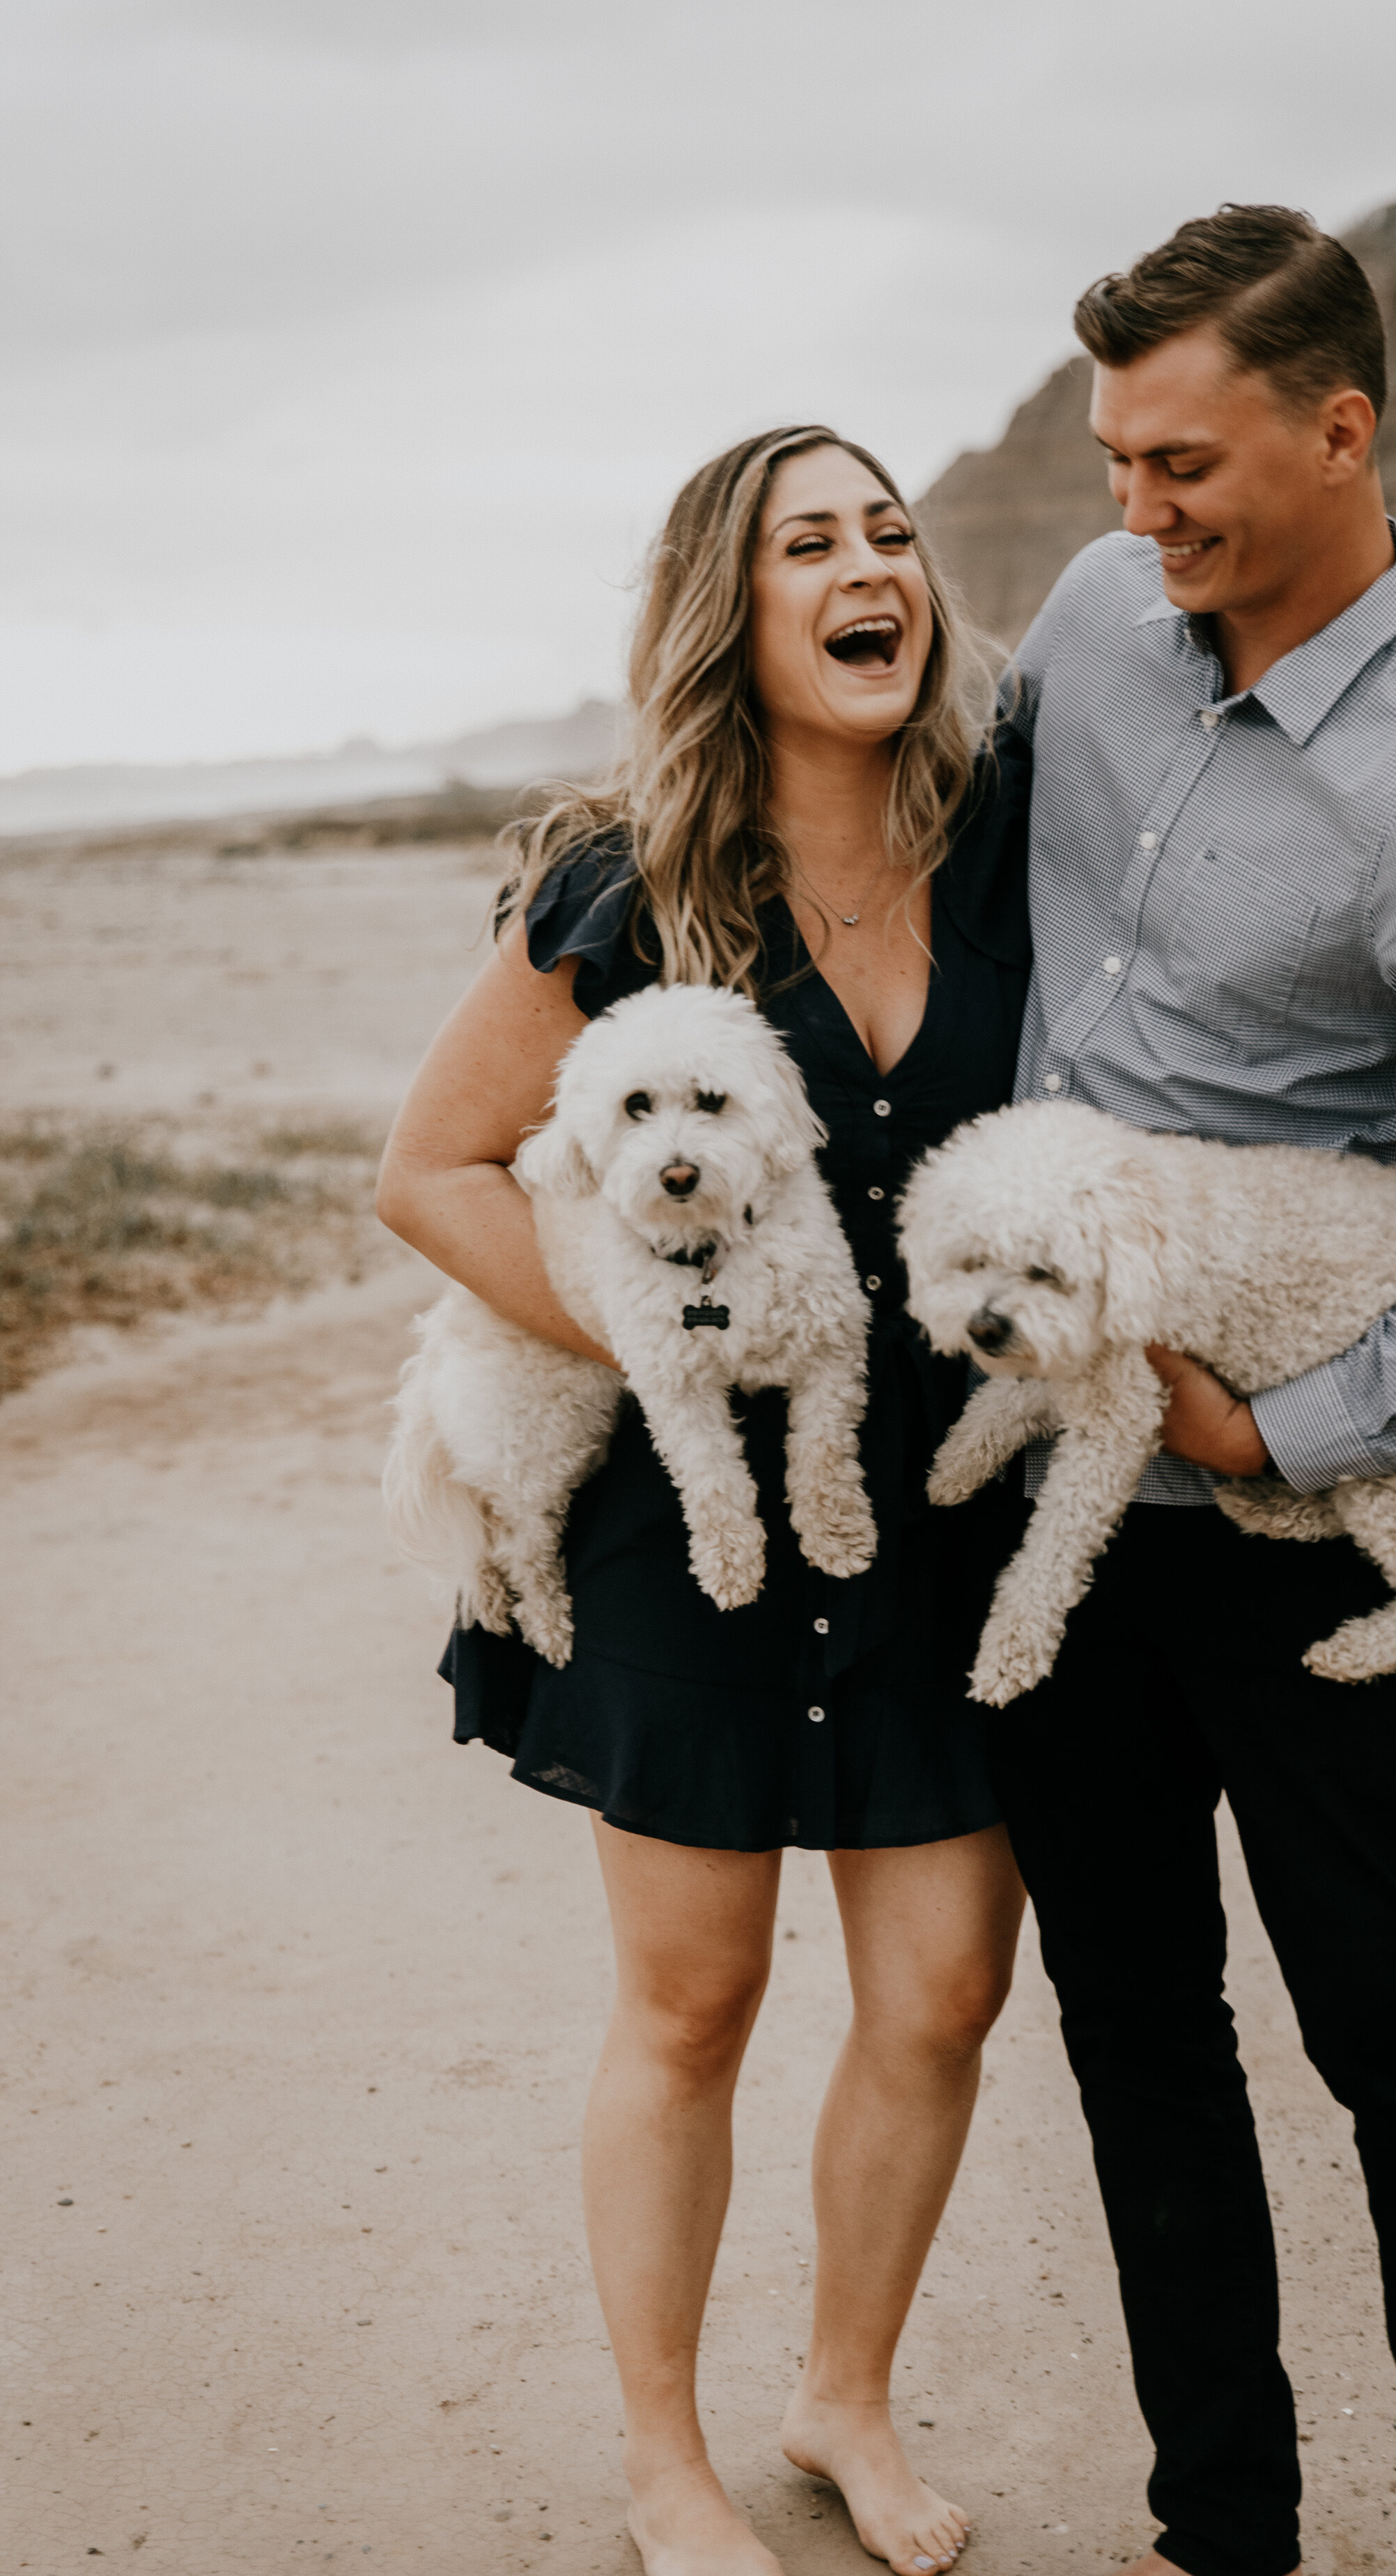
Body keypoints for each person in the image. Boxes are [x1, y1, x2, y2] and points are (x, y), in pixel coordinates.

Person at [988, 208, 1396, 2576]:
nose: (1136, 510)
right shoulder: (1087, 619)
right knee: (1136, 2043)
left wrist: (1282, 1436)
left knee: (1393, 2044)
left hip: (1281, 1528)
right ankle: (1224, 2530)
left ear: (1337, 429)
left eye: (1179, 463)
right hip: (1044, 1510)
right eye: (1112, 459)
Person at [376, 426, 1032, 2576]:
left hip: (928, 1504)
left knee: (939, 1992)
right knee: (691, 2001)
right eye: (807, 542)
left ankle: (840, 2398)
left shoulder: (1012, 846)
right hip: (681, 1525)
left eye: (890, 533)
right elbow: (432, 1169)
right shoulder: (626, 885)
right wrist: (653, 1350)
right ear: (728, 611)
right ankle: (668, 2461)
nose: (871, 569)